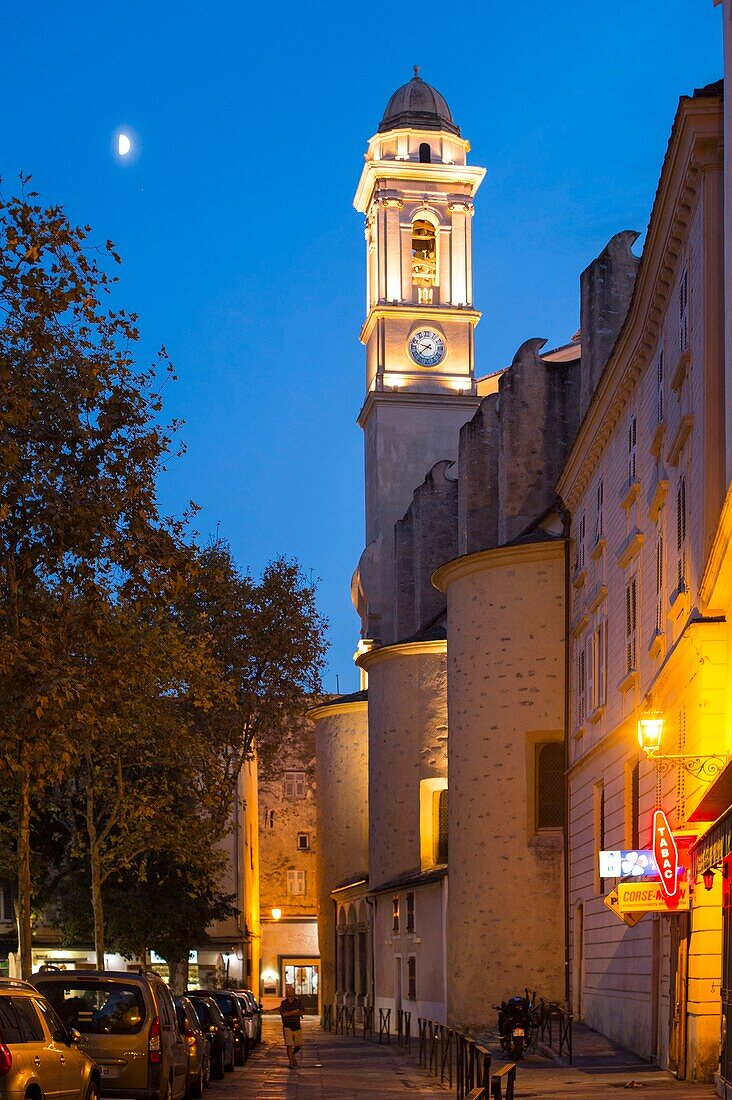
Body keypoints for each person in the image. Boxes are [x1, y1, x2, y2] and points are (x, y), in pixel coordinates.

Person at [279, 985, 304, 1067]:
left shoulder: (298, 1002)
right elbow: (283, 1014)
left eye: (291, 991)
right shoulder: (284, 1003)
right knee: (289, 1045)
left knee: (298, 1045)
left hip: (297, 1026)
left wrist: (289, 1013)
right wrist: (294, 1012)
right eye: (288, 992)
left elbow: (301, 1012)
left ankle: (292, 1055)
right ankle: (290, 1062)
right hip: (287, 1026)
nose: (290, 993)